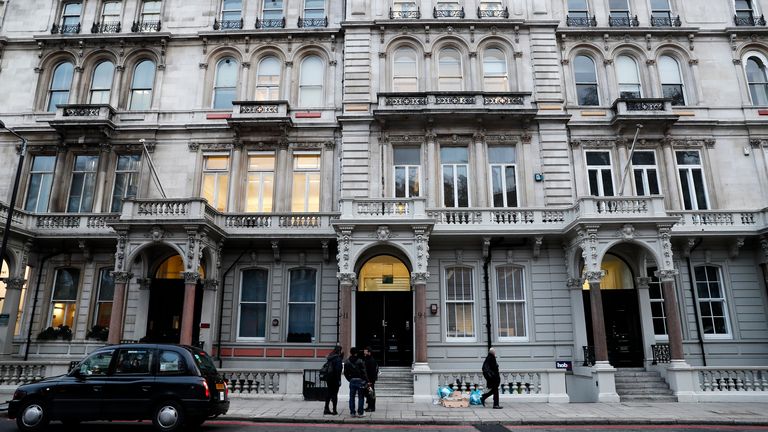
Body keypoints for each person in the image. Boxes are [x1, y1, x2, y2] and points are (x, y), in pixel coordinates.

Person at [343, 346, 368, 417]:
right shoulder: (360, 361)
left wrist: (349, 379)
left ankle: (352, 412)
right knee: (361, 397)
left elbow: (345, 372)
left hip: (352, 380)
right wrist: (366, 380)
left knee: (352, 397)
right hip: (360, 380)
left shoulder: (347, 361)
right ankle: (360, 412)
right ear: (356, 353)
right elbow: (364, 372)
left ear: (351, 353)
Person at [323, 345, 343, 415]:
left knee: (329, 393)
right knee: (335, 394)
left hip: (329, 378)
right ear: (339, 351)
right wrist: (339, 380)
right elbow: (338, 370)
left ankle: (326, 408)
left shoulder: (330, 357)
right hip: (335, 379)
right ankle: (334, 410)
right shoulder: (338, 359)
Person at [363, 347, 378, 412]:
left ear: (369, 352)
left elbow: (372, 372)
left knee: (371, 394)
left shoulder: (371, 360)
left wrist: (370, 381)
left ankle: (372, 407)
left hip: (370, 380)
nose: (364, 352)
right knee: (368, 394)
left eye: (365, 351)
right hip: (368, 380)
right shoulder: (367, 359)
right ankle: (369, 406)